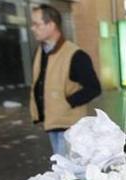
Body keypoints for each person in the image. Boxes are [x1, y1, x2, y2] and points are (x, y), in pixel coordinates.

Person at [29, 4, 101, 156]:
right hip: (52, 122)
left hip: (69, 127)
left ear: (51, 25)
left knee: (67, 170)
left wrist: (67, 102)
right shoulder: (40, 52)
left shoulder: (75, 55)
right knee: (60, 168)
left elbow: (94, 88)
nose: (32, 28)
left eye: (36, 24)